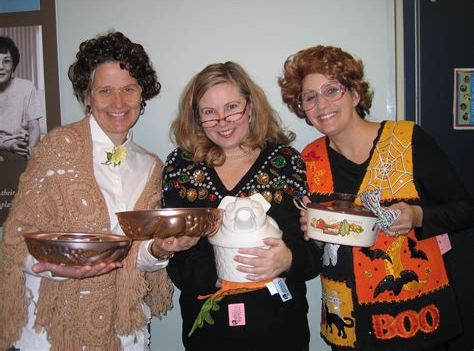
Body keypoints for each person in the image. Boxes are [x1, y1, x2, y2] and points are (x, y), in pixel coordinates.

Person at [0, 31, 197, 350]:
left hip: (125, 332)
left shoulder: (152, 166)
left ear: (141, 94)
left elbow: (135, 256)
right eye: (105, 90)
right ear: (86, 96)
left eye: (128, 89)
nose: (118, 103)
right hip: (54, 332)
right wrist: (56, 268)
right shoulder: (56, 149)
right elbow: (16, 237)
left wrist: (160, 250)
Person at [278, 45, 474, 351]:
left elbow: (465, 210)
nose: (322, 103)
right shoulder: (308, 159)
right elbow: (313, 249)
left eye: (333, 90)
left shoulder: (408, 140)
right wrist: (311, 231)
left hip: (416, 320)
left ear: (355, 94)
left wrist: (418, 216)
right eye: (310, 96)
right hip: (347, 323)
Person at [162, 61, 323, 351]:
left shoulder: (285, 162)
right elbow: (174, 255)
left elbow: (312, 249)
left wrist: (287, 259)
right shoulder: (181, 167)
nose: (222, 121)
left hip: (280, 329)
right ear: (196, 118)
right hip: (209, 333)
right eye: (209, 112)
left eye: (232, 107)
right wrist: (219, 276)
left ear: (250, 105)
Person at [0, 36, 42, 161]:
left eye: (6, 61)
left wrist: (31, 147)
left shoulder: (26, 87)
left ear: (13, 64)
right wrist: (7, 145)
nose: (0, 67)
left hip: (20, 149)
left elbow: (34, 128)